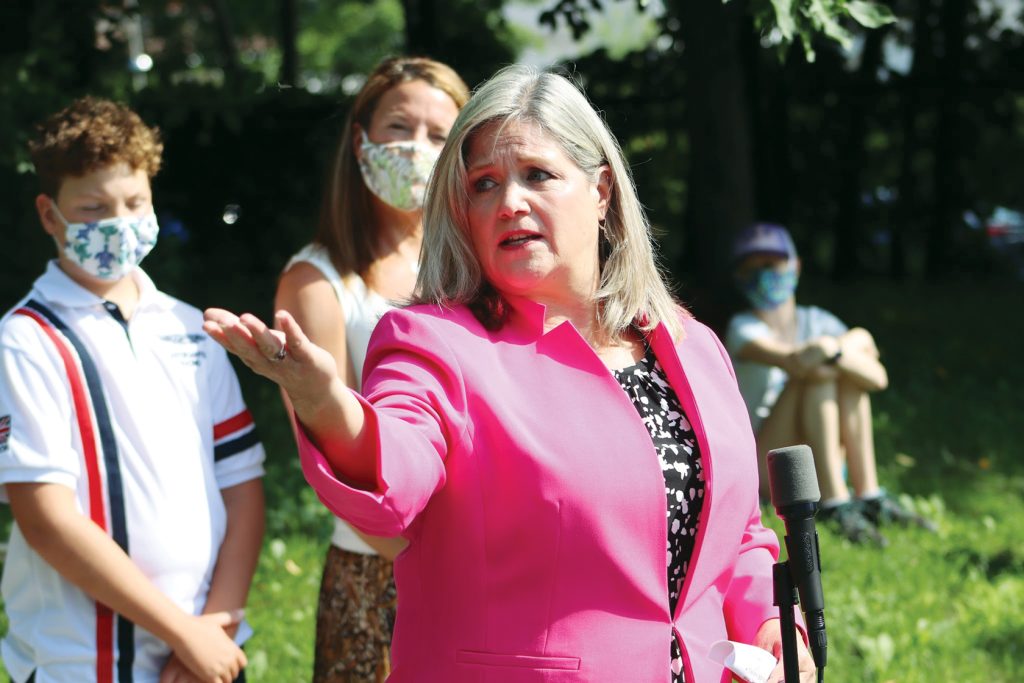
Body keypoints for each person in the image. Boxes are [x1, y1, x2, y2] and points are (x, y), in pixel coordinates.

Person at [205, 66, 815, 682]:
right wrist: (325, 403)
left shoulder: (691, 344)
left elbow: (737, 534)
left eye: (537, 175)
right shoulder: (434, 341)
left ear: (601, 190)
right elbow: (398, 469)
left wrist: (773, 625)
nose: (509, 202)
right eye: (484, 184)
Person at [0, 97, 265, 683]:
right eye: (92, 208)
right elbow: (44, 518)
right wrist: (183, 633)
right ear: (49, 215)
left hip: (208, 654)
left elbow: (243, 487)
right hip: (81, 664)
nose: (116, 223)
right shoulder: (25, 340)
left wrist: (212, 631)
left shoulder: (193, 327)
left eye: (134, 203)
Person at [274, 56, 468, 682]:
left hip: (489, 555)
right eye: (398, 127)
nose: (418, 149)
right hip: (382, 568)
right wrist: (434, 560)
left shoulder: (475, 268)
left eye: (440, 135)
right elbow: (327, 453)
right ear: (361, 140)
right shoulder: (318, 281)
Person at [725, 222, 935, 546]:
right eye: (751, 269)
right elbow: (795, 361)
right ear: (739, 278)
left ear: (795, 267)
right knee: (817, 378)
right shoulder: (743, 328)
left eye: (771, 265)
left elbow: (877, 378)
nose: (763, 275)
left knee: (842, 375)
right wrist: (847, 345)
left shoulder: (818, 322)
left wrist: (834, 349)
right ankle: (836, 501)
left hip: (816, 455)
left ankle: (868, 495)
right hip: (768, 468)